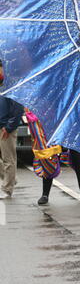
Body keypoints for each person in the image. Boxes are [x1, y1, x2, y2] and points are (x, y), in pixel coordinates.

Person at [0, 61, 24, 199]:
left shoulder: (12, 86)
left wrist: (9, 127)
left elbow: (17, 110)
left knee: (8, 159)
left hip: (5, 128)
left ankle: (7, 189)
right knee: (7, 162)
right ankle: (11, 178)